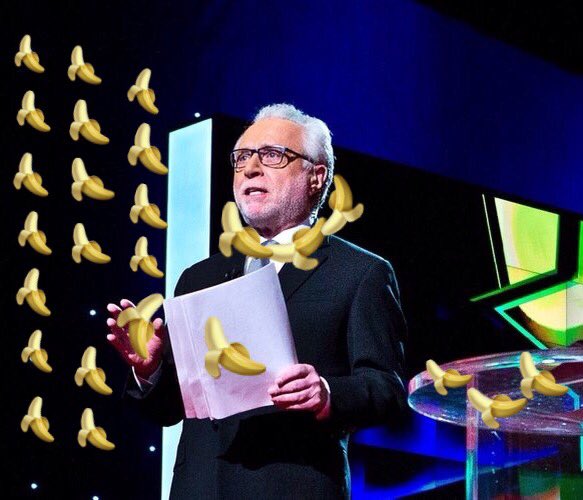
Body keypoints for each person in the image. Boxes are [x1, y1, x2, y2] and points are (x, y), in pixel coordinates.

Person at [106, 103, 407, 499]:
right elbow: (168, 410)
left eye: (272, 155)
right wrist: (149, 371)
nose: (249, 168)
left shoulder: (360, 272)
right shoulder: (198, 277)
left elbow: (386, 389)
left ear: (316, 177)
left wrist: (326, 393)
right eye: (242, 157)